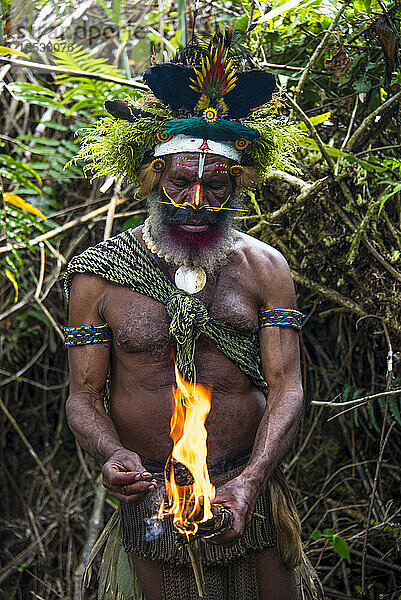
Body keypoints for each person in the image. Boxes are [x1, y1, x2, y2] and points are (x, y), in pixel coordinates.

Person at [64, 29, 322, 600]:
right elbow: (82, 399)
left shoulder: (264, 269)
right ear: (153, 182)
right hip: (150, 493)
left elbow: (288, 387)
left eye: (215, 187)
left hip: (247, 488)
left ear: (236, 190)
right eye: (180, 183)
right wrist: (114, 457)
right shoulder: (99, 275)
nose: (196, 202)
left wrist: (253, 480)